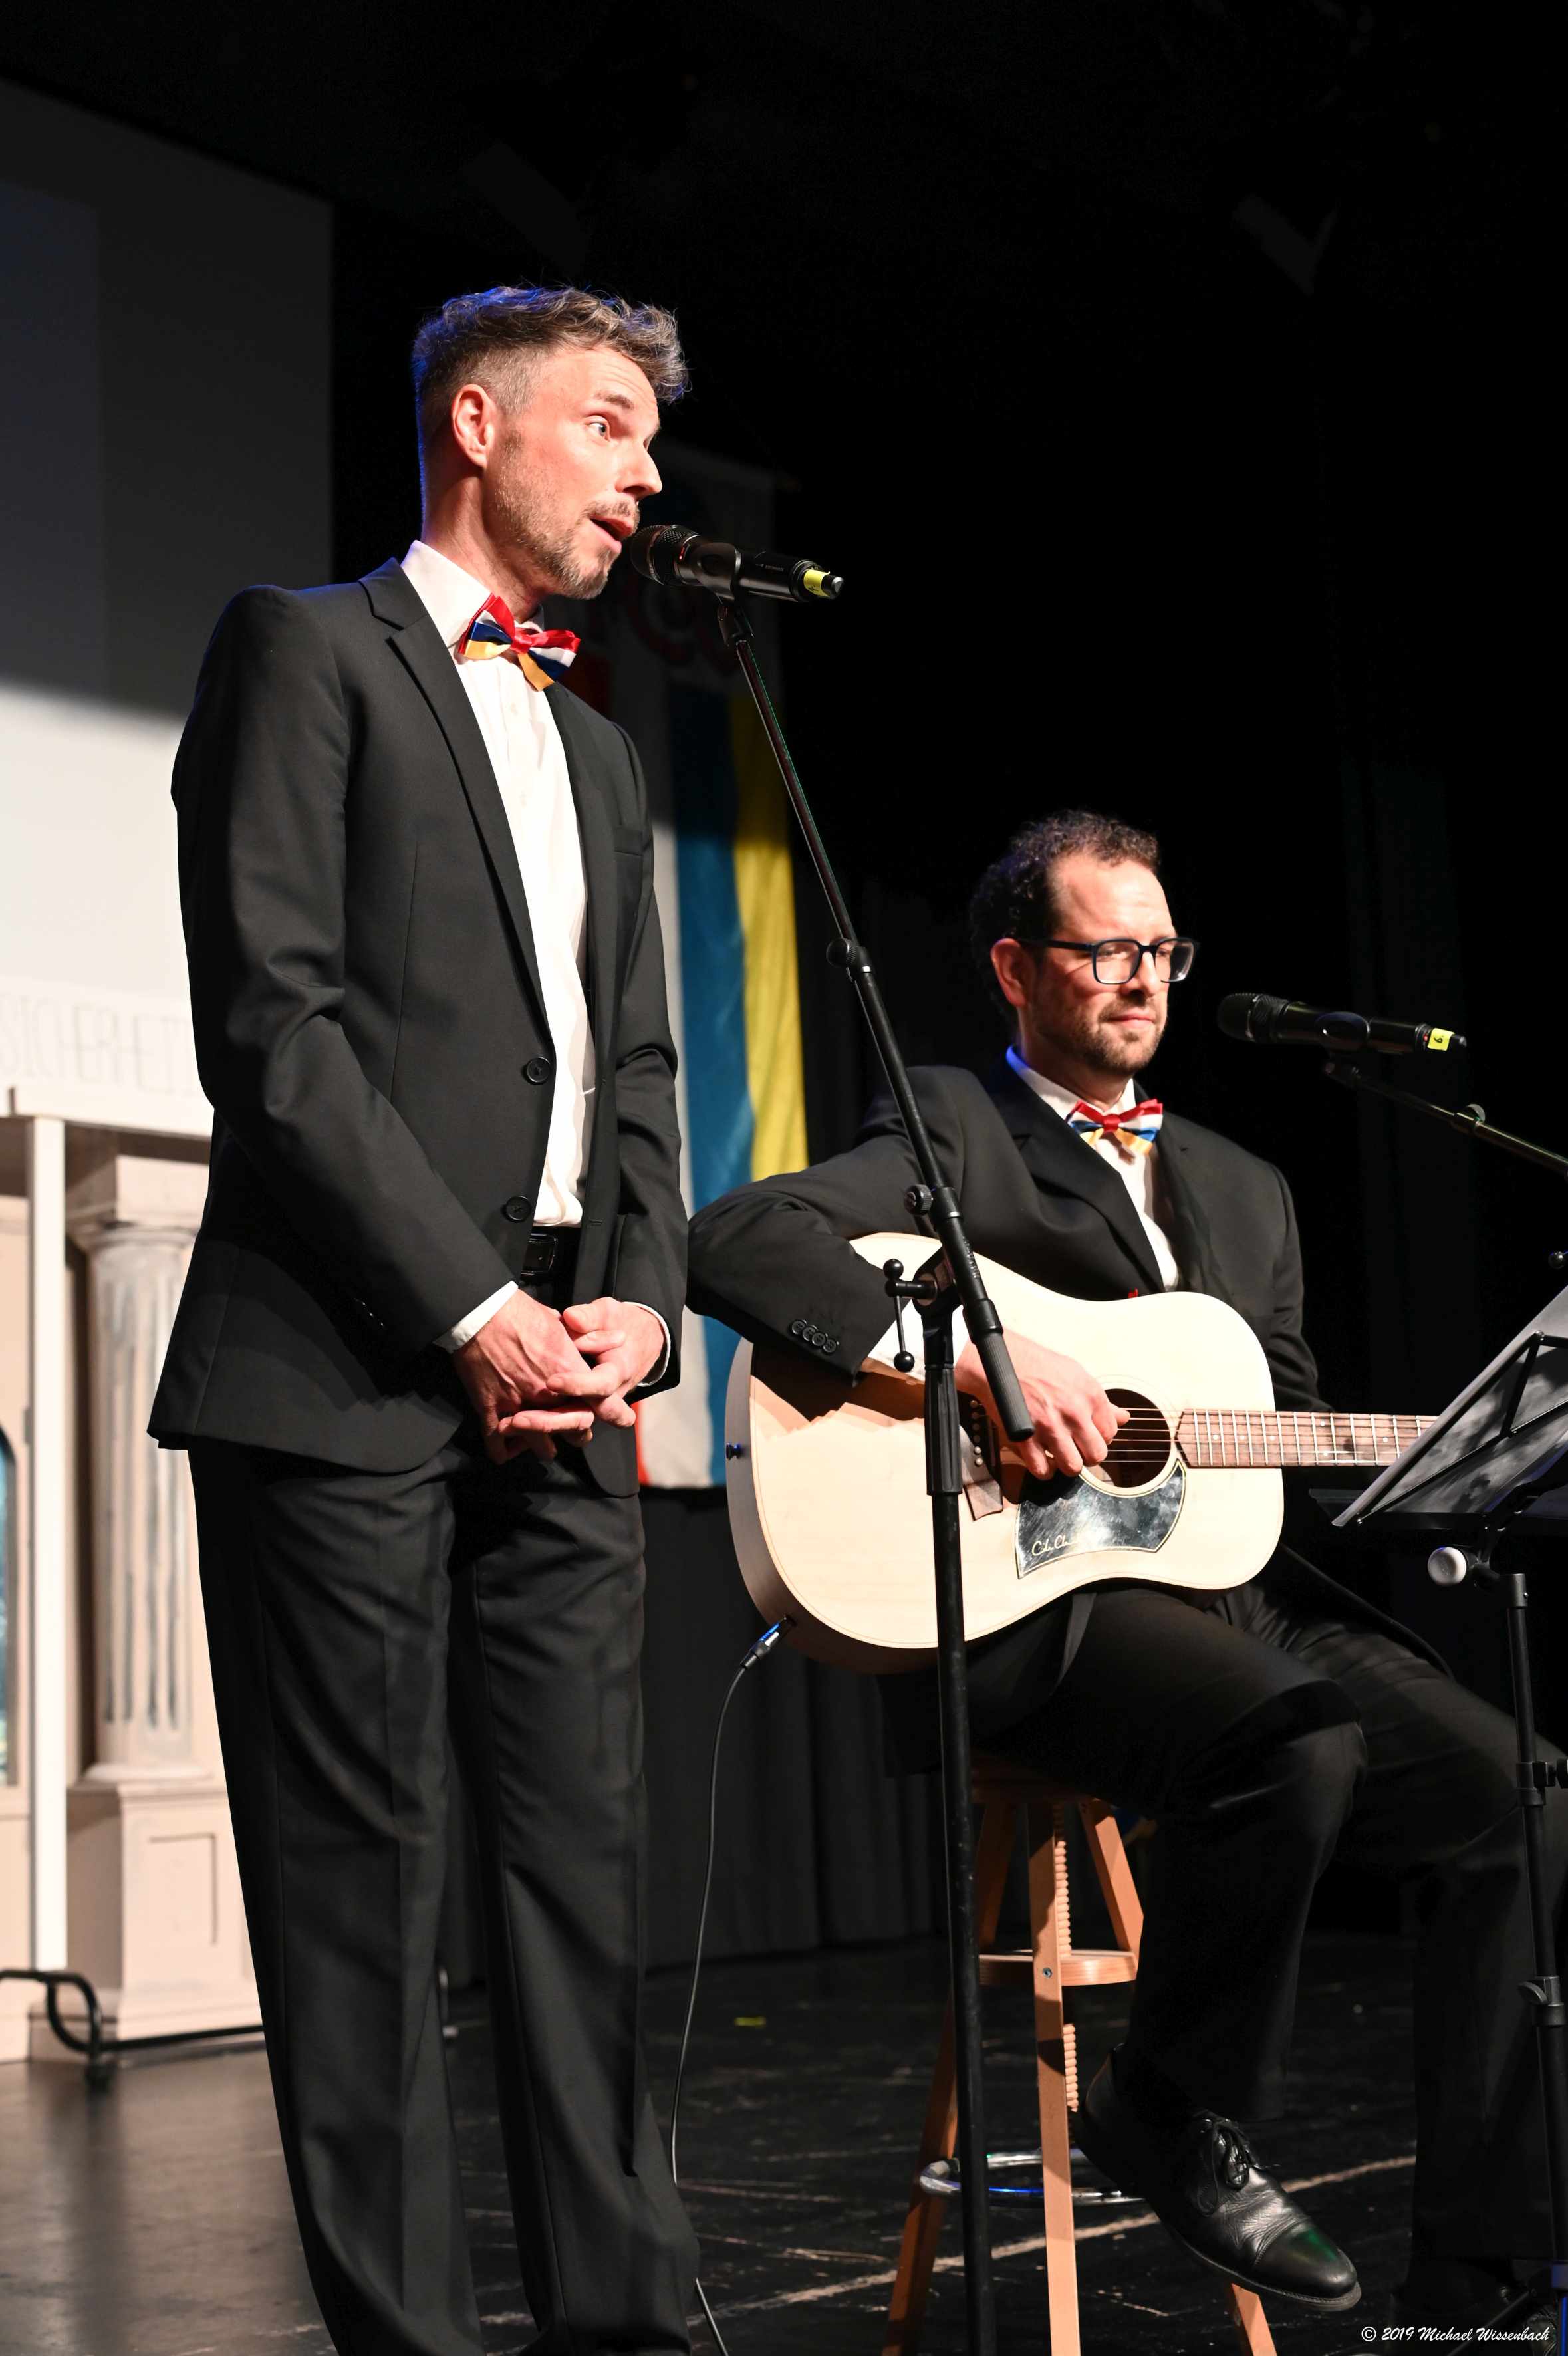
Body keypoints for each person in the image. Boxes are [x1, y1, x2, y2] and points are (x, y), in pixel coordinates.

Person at [686, 807, 1565, 2331]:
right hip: (1040, 1602)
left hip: (1229, 1594)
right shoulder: (957, 1126)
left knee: (1524, 1792)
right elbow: (738, 1235)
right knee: (1299, 1738)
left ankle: (1476, 2275)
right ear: (1016, 966)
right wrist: (977, 1356)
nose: (1142, 978)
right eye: (1105, 949)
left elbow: (1278, 1429)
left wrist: (1442, 1462)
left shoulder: (1245, 1183)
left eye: (1162, 949)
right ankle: (1167, 2105)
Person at [151, 285, 699, 2356]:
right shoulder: (303, 650)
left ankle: (618, 2322)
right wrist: (470, 1306)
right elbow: (271, 1030)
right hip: (345, 1368)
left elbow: (632, 1067)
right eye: (609, 423)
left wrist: (638, 1303)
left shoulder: (598, 748)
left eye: (651, 437)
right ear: (476, 422)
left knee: (580, 1883)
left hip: (571, 1377)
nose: (644, 474)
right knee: (360, 1905)